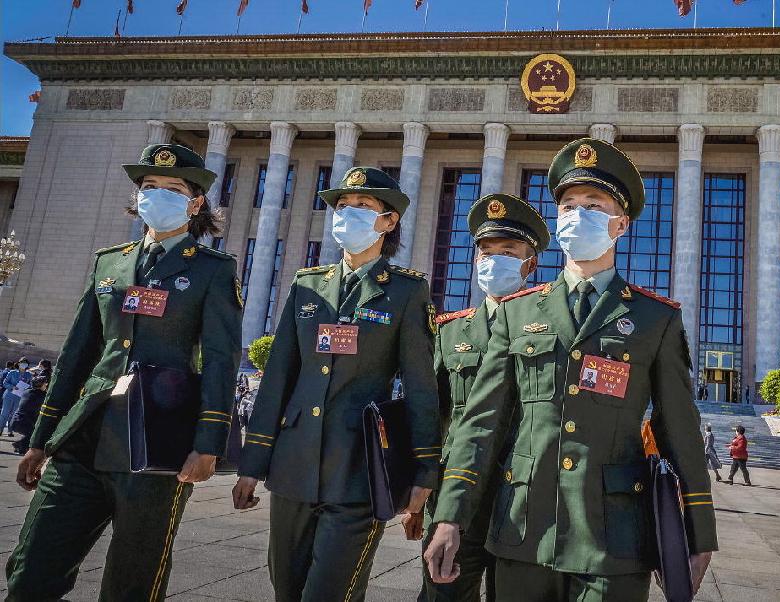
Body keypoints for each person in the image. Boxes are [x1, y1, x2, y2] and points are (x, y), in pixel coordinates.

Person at [424, 138, 716, 601]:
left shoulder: (654, 319)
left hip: (612, 539)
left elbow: (678, 428)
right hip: (522, 527)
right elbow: (482, 424)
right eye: (568, 204)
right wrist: (451, 515)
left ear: (619, 224)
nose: (577, 213)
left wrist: (699, 533)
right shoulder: (519, 313)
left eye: (593, 204)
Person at [6, 143, 243, 601]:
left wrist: (208, 444)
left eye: (173, 189)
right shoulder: (109, 262)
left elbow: (220, 362)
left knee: (133, 578)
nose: (158, 195)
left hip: (157, 443)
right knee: (32, 567)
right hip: (85, 437)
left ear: (195, 203)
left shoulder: (213, 271)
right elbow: (77, 356)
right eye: (149, 187)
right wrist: (41, 438)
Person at [232, 167, 440, 602]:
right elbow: (278, 380)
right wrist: (252, 465)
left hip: (359, 472)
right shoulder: (307, 286)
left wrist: (424, 469)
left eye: (363, 207)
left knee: (331, 593)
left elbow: (420, 386)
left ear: (389, 221)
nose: (348, 214)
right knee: (286, 588)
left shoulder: (405, 292)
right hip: (294, 467)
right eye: (343, 206)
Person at [415, 194, 548, 602]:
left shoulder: (548, 330)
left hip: (522, 501)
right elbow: (433, 416)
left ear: (529, 264)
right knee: (442, 594)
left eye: (508, 251)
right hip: (457, 499)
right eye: (486, 251)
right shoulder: (452, 331)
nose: (494, 260)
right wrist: (422, 500)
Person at [11, 375, 47, 455]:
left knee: (31, 433)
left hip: (17, 420)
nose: (46, 384)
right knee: (35, 434)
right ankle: (19, 445)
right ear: (40, 385)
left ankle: (20, 446)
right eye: (45, 383)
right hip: (23, 422)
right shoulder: (40, 395)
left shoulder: (27, 391)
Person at [1, 357, 31, 437]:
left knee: (14, 414)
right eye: (22, 362)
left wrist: (26, 388)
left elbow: (31, 386)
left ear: (27, 365)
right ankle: (0, 429)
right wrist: (12, 387)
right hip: (9, 395)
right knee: (5, 413)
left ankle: (10, 431)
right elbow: (5, 383)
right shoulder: (12, 372)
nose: (23, 364)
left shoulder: (29, 375)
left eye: (25, 363)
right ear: (18, 363)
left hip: (19, 397)